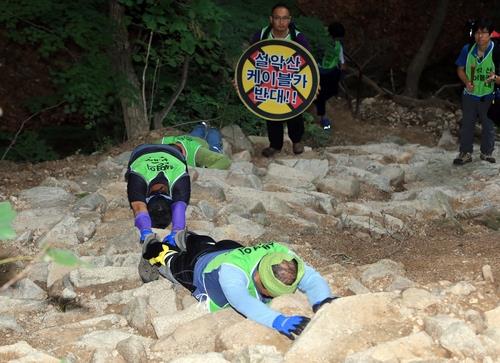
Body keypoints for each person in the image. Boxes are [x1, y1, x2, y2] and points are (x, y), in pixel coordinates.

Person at [139, 232, 338, 340]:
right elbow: (241, 301)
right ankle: (154, 244)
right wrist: (277, 320)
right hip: (197, 268)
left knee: (204, 242)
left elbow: (310, 278)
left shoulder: (281, 254)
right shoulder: (231, 274)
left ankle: (186, 236)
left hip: (228, 247)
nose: (271, 297)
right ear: (259, 276)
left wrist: (323, 300)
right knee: (170, 260)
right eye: (270, 292)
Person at [251, 3, 311, 158]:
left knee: (294, 111)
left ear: (289, 20)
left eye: (285, 18)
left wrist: (313, 85)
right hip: (268, 81)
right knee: (271, 112)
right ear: (271, 19)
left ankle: (297, 140)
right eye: (277, 18)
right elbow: (249, 61)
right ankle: (275, 145)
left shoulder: (298, 38)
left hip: (291, 82)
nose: (281, 22)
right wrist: (241, 81)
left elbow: (308, 63)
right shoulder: (261, 35)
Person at [454, 18, 499, 165]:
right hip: (470, 95)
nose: (480, 36)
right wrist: (467, 82)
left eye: (484, 33)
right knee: (467, 124)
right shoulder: (467, 49)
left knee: (488, 125)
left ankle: (486, 153)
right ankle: (465, 153)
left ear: (491, 34)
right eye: (477, 32)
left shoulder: (497, 51)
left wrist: (495, 78)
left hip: (489, 94)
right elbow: (460, 69)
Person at [125, 143, 190, 246]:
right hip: (141, 151)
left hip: (173, 153)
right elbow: (139, 207)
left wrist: (177, 233)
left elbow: (179, 208)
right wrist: (145, 231)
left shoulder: (180, 178)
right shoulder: (137, 177)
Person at [315, 22, 346, 131]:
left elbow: (341, 61)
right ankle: (324, 119)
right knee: (321, 95)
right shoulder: (321, 43)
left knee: (327, 93)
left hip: (331, 72)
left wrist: (341, 69)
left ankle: (320, 108)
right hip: (320, 72)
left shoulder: (338, 45)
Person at [159, 123, 231, 170]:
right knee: (197, 131)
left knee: (214, 143)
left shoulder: (198, 153)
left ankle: (213, 129)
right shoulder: (161, 143)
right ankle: (202, 126)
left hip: (201, 146)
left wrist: (205, 172)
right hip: (189, 138)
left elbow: (225, 160)